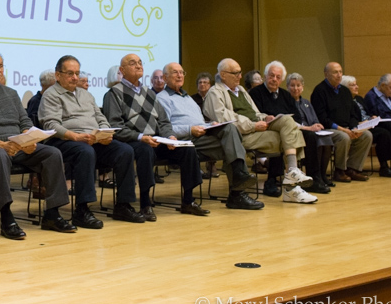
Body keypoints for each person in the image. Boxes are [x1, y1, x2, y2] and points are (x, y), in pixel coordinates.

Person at [0, 50, 76, 238]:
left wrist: (28, 139)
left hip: (16, 145)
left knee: (52, 153)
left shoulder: (11, 93)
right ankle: (7, 218)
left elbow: (24, 121)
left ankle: (52, 214)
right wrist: (1, 145)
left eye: (1, 66)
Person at [38, 55, 146, 226]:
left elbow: (100, 117)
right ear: (58, 75)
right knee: (85, 151)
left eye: (77, 73)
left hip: (92, 139)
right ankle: (82, 210)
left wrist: (105, 133)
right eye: (70, 73)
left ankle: (123, 205)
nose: (75, 77)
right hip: (64, 140)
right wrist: (75, 136)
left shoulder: (85, 94)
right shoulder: (51, 95)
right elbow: (51, 125)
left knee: (125, 150)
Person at [103, 54, 208, 220]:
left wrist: (170, 136)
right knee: (145, 150)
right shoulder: (114, 94)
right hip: (133, 142)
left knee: (187, 149)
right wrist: (140, 137)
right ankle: (145, 204)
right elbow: (115, 127)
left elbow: (164, 121)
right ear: (122, 70)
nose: (138, 66)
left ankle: (188, 200)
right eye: (133, 63)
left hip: (156, 140)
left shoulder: (149, 93)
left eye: (140, 63)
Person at [203, 58, 316, 204]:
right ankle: (292, 188)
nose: (240, 76)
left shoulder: (241, 90)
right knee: (292, 136)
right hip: (241, 135)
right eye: (235, 73)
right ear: (223, 75)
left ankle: (292, 172)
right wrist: (253, 125)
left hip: (257, 129)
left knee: (287, 121)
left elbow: (255, 112)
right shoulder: (214, 93)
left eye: (240, 72)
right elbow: (224, 118)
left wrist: (265, 117)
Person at [157, 62, 263, 210]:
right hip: (184, 141)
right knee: (231, 145)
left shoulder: (187, 98)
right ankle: (237, 192)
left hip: (202, 135)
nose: (180, 75)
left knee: (230, 129)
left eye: (182, 72)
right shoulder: (162, 98)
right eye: (175, 72)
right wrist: (190, 129)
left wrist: (210, 124)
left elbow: (198, 121)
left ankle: (239, 180)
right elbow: (164, 127)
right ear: (165, 78)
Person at [249, 61, 333, 194]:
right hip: (266, 129)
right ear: (265, 76)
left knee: (310, 136)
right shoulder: (255, 93)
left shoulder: (286, 95)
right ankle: (273, 179)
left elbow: (297, 118)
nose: (274, 79)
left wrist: (306, 128)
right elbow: (254, 115)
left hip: (290, 129)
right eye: (271, 75)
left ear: (281, 80)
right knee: (277, 137)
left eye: (278, 77)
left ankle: (314, 178)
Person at [286, 72, 351, 188]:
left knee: (326, 138)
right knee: (316, 139)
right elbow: (290, 122)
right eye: (292, 85)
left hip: (312, 130)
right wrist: (309, 128)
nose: (295, 88)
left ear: (302, 87)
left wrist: (317, 125)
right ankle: (316, 176)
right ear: (287, 87)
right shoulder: (286, 102)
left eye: (298, 85)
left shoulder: (306, 102)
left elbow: (315, 119)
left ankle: (322, 175)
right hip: (299, 132)